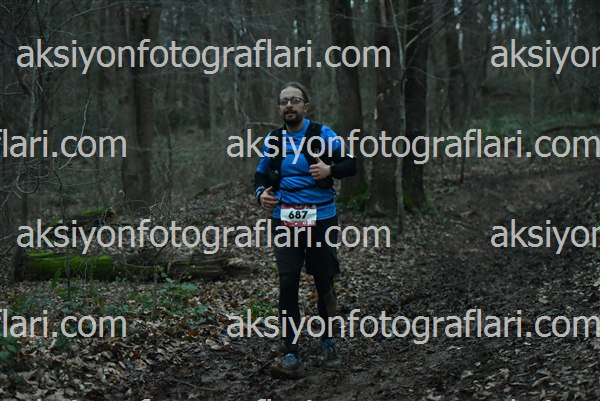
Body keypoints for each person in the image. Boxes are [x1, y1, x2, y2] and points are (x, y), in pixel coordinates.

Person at [254, 82, 357, 378]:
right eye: (284, 101)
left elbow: (351, 164)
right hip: (285, 218)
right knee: (288, 282)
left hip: (321, 218)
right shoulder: (274, 139)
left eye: (295, 100)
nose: (289, 105)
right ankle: (291, 351)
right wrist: (261, 195)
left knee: (323, 280)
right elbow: (260, 175)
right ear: (279, 108)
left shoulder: (323, 134)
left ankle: (328, 341)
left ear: (305, 106)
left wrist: (329, 170)